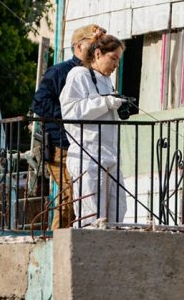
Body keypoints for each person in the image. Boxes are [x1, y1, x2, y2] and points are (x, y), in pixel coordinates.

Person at [31, 23, 106, 229]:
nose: (97, 49)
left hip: (83, 146)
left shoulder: (96, 74)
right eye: (93, 44)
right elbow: (39, 102)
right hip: (61, 147)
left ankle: (63, 241)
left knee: (77, 197)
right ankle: (57, 243)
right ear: (79, 47)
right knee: (70, 197)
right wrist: (68, 114)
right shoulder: (60, 72)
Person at [59, 33, 128, 227]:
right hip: (88, 155)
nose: (116, 65)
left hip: (110, 155)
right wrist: (105, 102)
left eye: (118, 60)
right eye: (113, 58)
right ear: (98, 54)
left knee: (118, 210)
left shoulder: (107, 81)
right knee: (92, 216)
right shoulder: (79, 75)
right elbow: (71, 111)